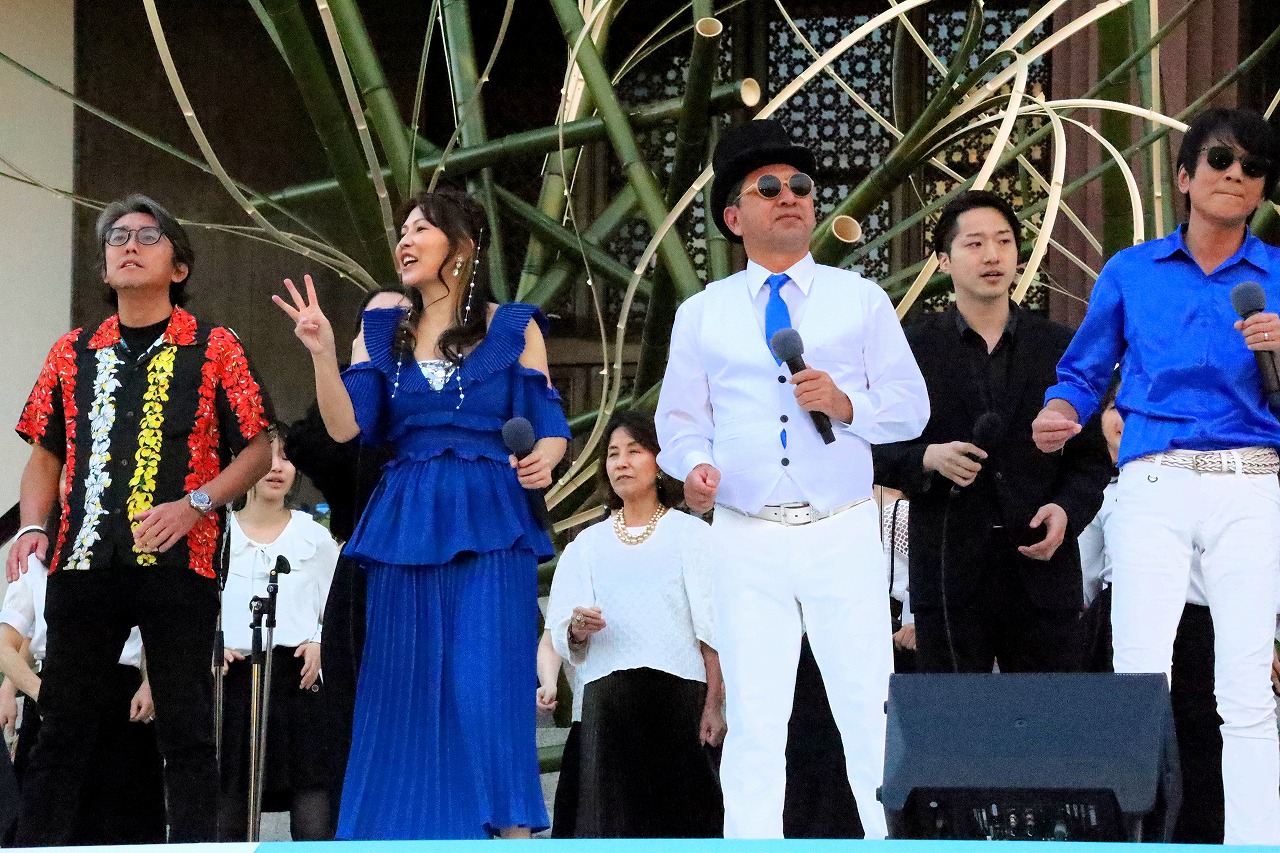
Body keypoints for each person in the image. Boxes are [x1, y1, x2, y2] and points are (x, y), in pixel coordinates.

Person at [655, 118, 929, 839]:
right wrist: (693, 468)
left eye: (801, 186)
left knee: (868, 707)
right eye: (769, 187)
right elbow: (678, 422)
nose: (790, 197)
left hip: (841, 526)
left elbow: (911, 407)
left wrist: (846, 403)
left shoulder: (859, 298)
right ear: (733, 216)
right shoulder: (701, 313)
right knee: (754, 716)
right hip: (745, 532)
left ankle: (888, 840)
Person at [273, 185, 570, 839]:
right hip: (406, 517)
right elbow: (346, 426)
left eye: (421, 229)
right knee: (403, 690)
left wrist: (543, 459)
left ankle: (509, 834)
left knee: (486, 682)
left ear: (462, 246)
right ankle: (405, 837)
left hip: (493, 514)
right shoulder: (383, 324)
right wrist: (322, 352)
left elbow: (548, 423)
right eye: (402, 231)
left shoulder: (513, 325)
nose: (404, 240)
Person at [1032, 107, 1280, 845]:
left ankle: (1255, 841)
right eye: (1220, 160)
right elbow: (1084, 370)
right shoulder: (1131, 270)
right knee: (1139, 672)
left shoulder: (1278, 275)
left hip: (1250, 479)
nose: (1236, 175)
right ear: (1184, 177)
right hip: (1153, 480)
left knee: (1245, 685)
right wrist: (1060, 409)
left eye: (1253, 167)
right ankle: (1134, 838)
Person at [6, 194, 273, 844]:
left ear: (179, 266)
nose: (129, 245)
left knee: (187, 730)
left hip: (181, 562)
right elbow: (44, 453)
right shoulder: (71, 351)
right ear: (104, 269)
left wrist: (196, 504)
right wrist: (33, 525)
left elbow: (259, 448)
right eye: (117, 237)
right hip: (83, 559)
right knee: (61, 728)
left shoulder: (215, 346)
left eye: (148, 236)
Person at [873, 191, 1111, 673]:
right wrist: (927, 458)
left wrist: (1067, 511)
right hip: (948, 573)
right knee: (955, 717)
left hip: (1043, 572)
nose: (992, 255)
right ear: (943, 260)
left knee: (1048, 714)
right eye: (975, 243)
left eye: (1004, 242)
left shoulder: (1060, 346)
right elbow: (875, 448)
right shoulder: (910, 348)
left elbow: (1090, 458)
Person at [547, 409, 725, 838]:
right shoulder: (586, 545)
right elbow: (560, 631)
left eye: (634, 451)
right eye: (612, 454)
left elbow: (713, 633)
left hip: (679, 704)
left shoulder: (692, 535)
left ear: (660, 462)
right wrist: (577, 629)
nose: (621, 463)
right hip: (606, 709)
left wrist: (715, 704)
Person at [283, 285, 407, 816]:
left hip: (426, 567)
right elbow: (316, 451)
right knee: (354, 712)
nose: (384, 334)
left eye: (398, 322)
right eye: (371, 325)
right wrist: (342, 366)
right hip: (362, 570)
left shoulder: (436, 391)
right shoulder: (345, 396)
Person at [218, 429, 339, 841]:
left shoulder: (315, 537)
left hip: (298, 684)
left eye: (286, 458)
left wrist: (321, 642)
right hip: (232, 684)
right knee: (229, 810)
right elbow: (193, 610)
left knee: (313, 809)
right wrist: (211, 646)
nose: (277, 468)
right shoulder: (218, 536)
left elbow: (338, 608)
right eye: (266, 457)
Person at [0, 552, 164, 844]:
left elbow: (157, 629)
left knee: (124, 825)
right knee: (46, 818)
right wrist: (36, 692)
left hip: (121, 695)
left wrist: (150, 683)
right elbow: (10, 642)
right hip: (57, 689)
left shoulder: (133, 547)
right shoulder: (36, 556)